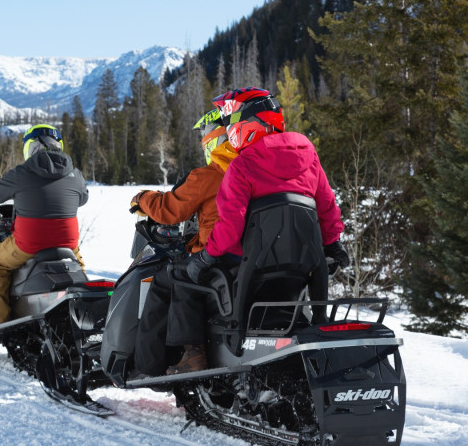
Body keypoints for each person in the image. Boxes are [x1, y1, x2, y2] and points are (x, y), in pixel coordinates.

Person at [167, 87, 349, 374]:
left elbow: (230, 226)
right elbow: (326, 206)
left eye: (232, 122)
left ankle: (192, 357)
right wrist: (333, 244)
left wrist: (205, 257)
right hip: (301, 266)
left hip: (252, 265)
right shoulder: (309, 155)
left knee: (181, 275)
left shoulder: (242, 166)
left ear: (248, 124)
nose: (229, 130)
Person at [130, 109, 239, 378]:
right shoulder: (253, 169)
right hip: (248, 257)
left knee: (167, 279)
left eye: (204, 137)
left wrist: (142, 198)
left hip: (216, 256)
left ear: (213, 141)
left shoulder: (209, 175)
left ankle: (167, 362)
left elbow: (170, 209)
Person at [0, 124, 89, 328]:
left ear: (32, 147)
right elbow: (83, 199)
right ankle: (82, 309)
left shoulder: (22, 172)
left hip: (29, 243)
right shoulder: (75, 173)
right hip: (68, 243)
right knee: (78, 268)